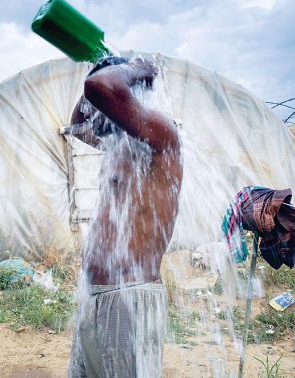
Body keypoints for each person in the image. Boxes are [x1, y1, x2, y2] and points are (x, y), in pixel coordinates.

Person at [66, 56, 183, 377]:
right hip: (95, 293)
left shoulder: (162, 136)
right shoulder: (118, 144)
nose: (95, 113)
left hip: (130, 297)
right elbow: (77, 124)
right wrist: (99, 68)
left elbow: (101, 87)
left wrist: (136, 69)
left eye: (101, 105)